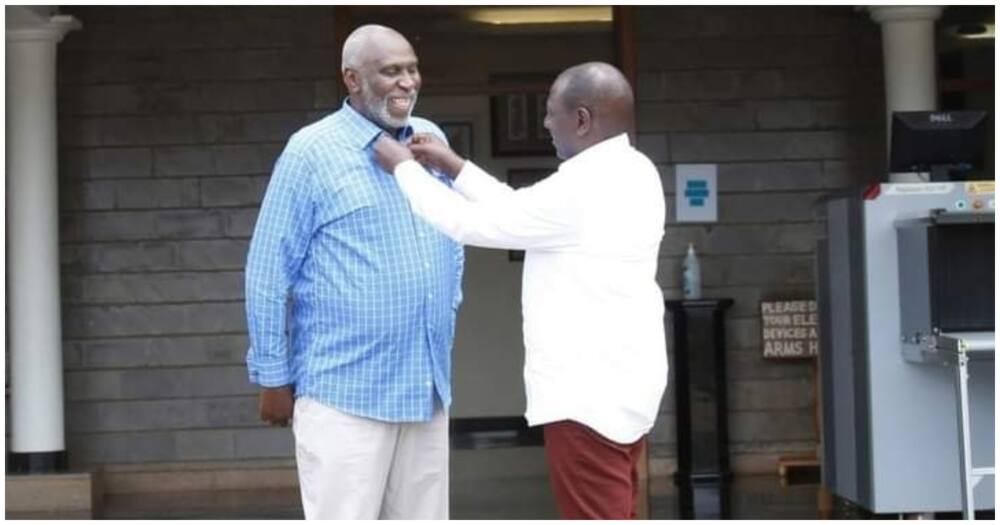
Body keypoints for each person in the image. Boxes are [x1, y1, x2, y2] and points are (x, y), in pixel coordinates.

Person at [373, 62, 668, 519]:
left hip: (587, 398)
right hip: (623, 387)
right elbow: (521, 209)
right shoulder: (634, 169)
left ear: (583, 119)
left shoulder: (585, 186)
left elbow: (472, 224)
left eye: (552, 114)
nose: (547, 124)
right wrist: (455, 167)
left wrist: (404, 171)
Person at [244, 24, 463, 520]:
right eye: (391, 71)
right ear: (352, 79)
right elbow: (266, 269)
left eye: (412, 69)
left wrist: (444, 310)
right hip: (345, 391)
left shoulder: (432, 142)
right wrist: (273, 375)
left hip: (423, 385)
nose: (407, 81)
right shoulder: (311, 151)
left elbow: (453, 237)